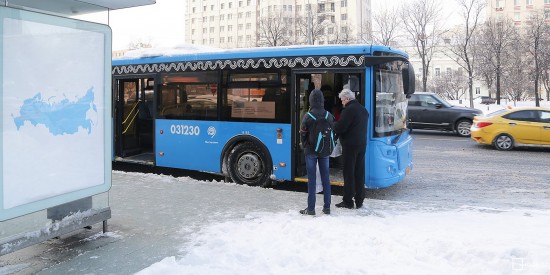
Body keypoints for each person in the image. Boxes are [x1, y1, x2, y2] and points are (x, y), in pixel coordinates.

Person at [299, 89, 335, 215]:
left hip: (311, 152)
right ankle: (327, 207)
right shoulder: (328, 115)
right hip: (325, 151)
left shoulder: (308, 116)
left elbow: (302, 134)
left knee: (312, 180)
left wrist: (306, 146)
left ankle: (311, 209)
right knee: (326, 178)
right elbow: (333, 132)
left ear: (310, 100)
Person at [333, 88, 369, 209]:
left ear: (347, 99)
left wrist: (333, 124)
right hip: (362, 145)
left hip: (350, 146)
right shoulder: (363, 109)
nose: (342, 102)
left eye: (342, 100)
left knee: (349, 173)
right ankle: (359, 200)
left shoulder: (348, 110)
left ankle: (348, 201)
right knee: (359, 172)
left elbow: (341, 127)